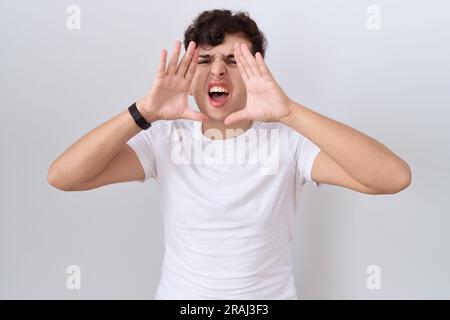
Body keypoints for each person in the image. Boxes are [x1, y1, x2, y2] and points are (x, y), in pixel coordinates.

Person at [47, 9, 411, 299]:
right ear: (188, 73)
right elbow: (64, 176)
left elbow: (393, 177)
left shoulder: (288, 141)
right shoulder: (163, 138)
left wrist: (290, 113)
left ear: (257, 70)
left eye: (234, 60)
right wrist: (145, 111)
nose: (218, 69)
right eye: (204, 60)